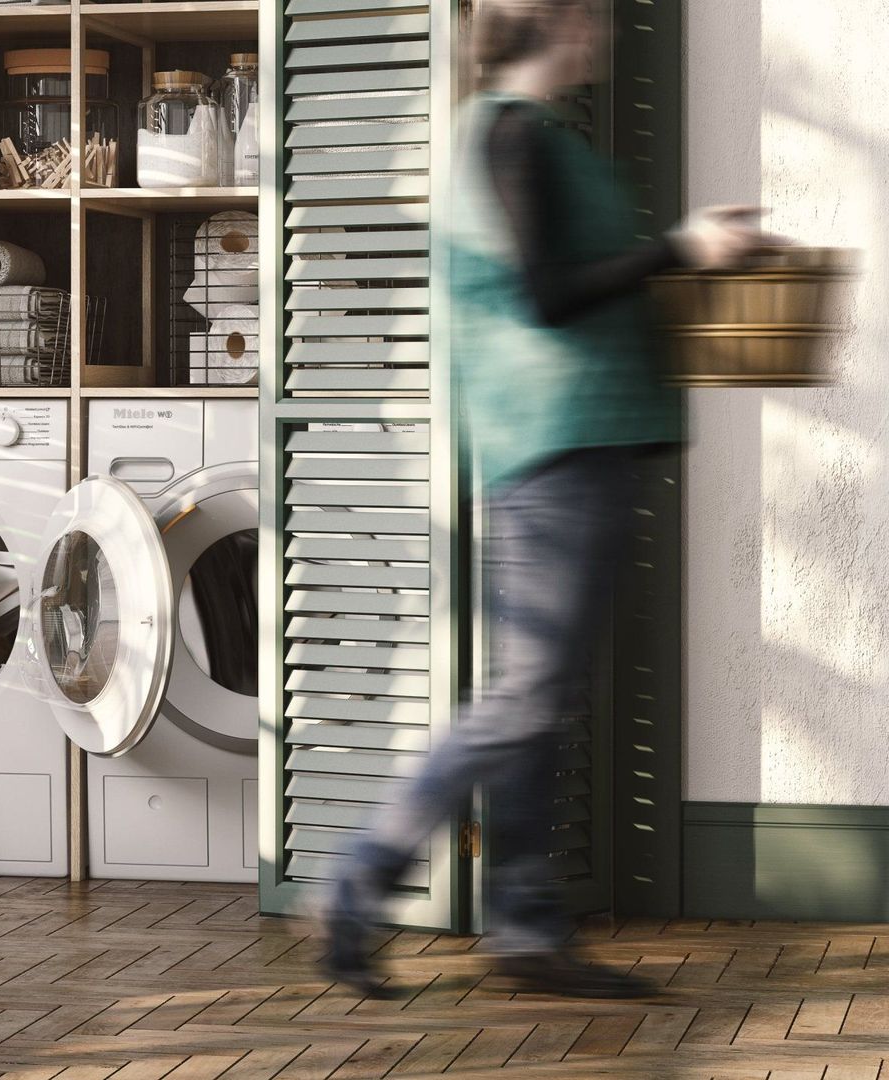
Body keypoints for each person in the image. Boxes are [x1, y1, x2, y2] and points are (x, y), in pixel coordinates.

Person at [320, 0, 762, 999]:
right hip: (554, 448)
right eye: (588, 17)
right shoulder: (510, 134)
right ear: (554, 23)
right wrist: (683, 249)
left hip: (575, 445)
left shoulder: (534, 134)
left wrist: (691, 258)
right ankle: (359, 880)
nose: (602, 32)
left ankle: (523, 926)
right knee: (524, 696)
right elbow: (547, 294)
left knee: (541, 697)